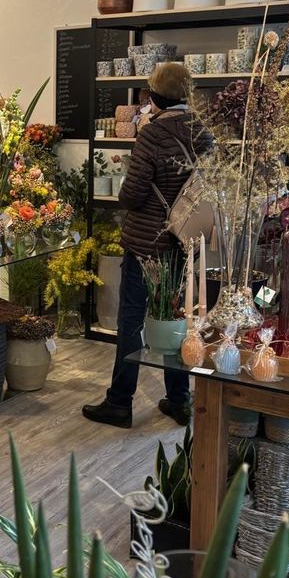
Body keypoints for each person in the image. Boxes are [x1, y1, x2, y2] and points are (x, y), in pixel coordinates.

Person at [82, 62, 211, 430]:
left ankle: (120, 402)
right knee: (176, 318)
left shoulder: (153, 135)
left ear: (154, 96)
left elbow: (132, 194)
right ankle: (180, 398)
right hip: (185, 241)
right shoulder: (204, 133)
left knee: (131, 320)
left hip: (147, 243)